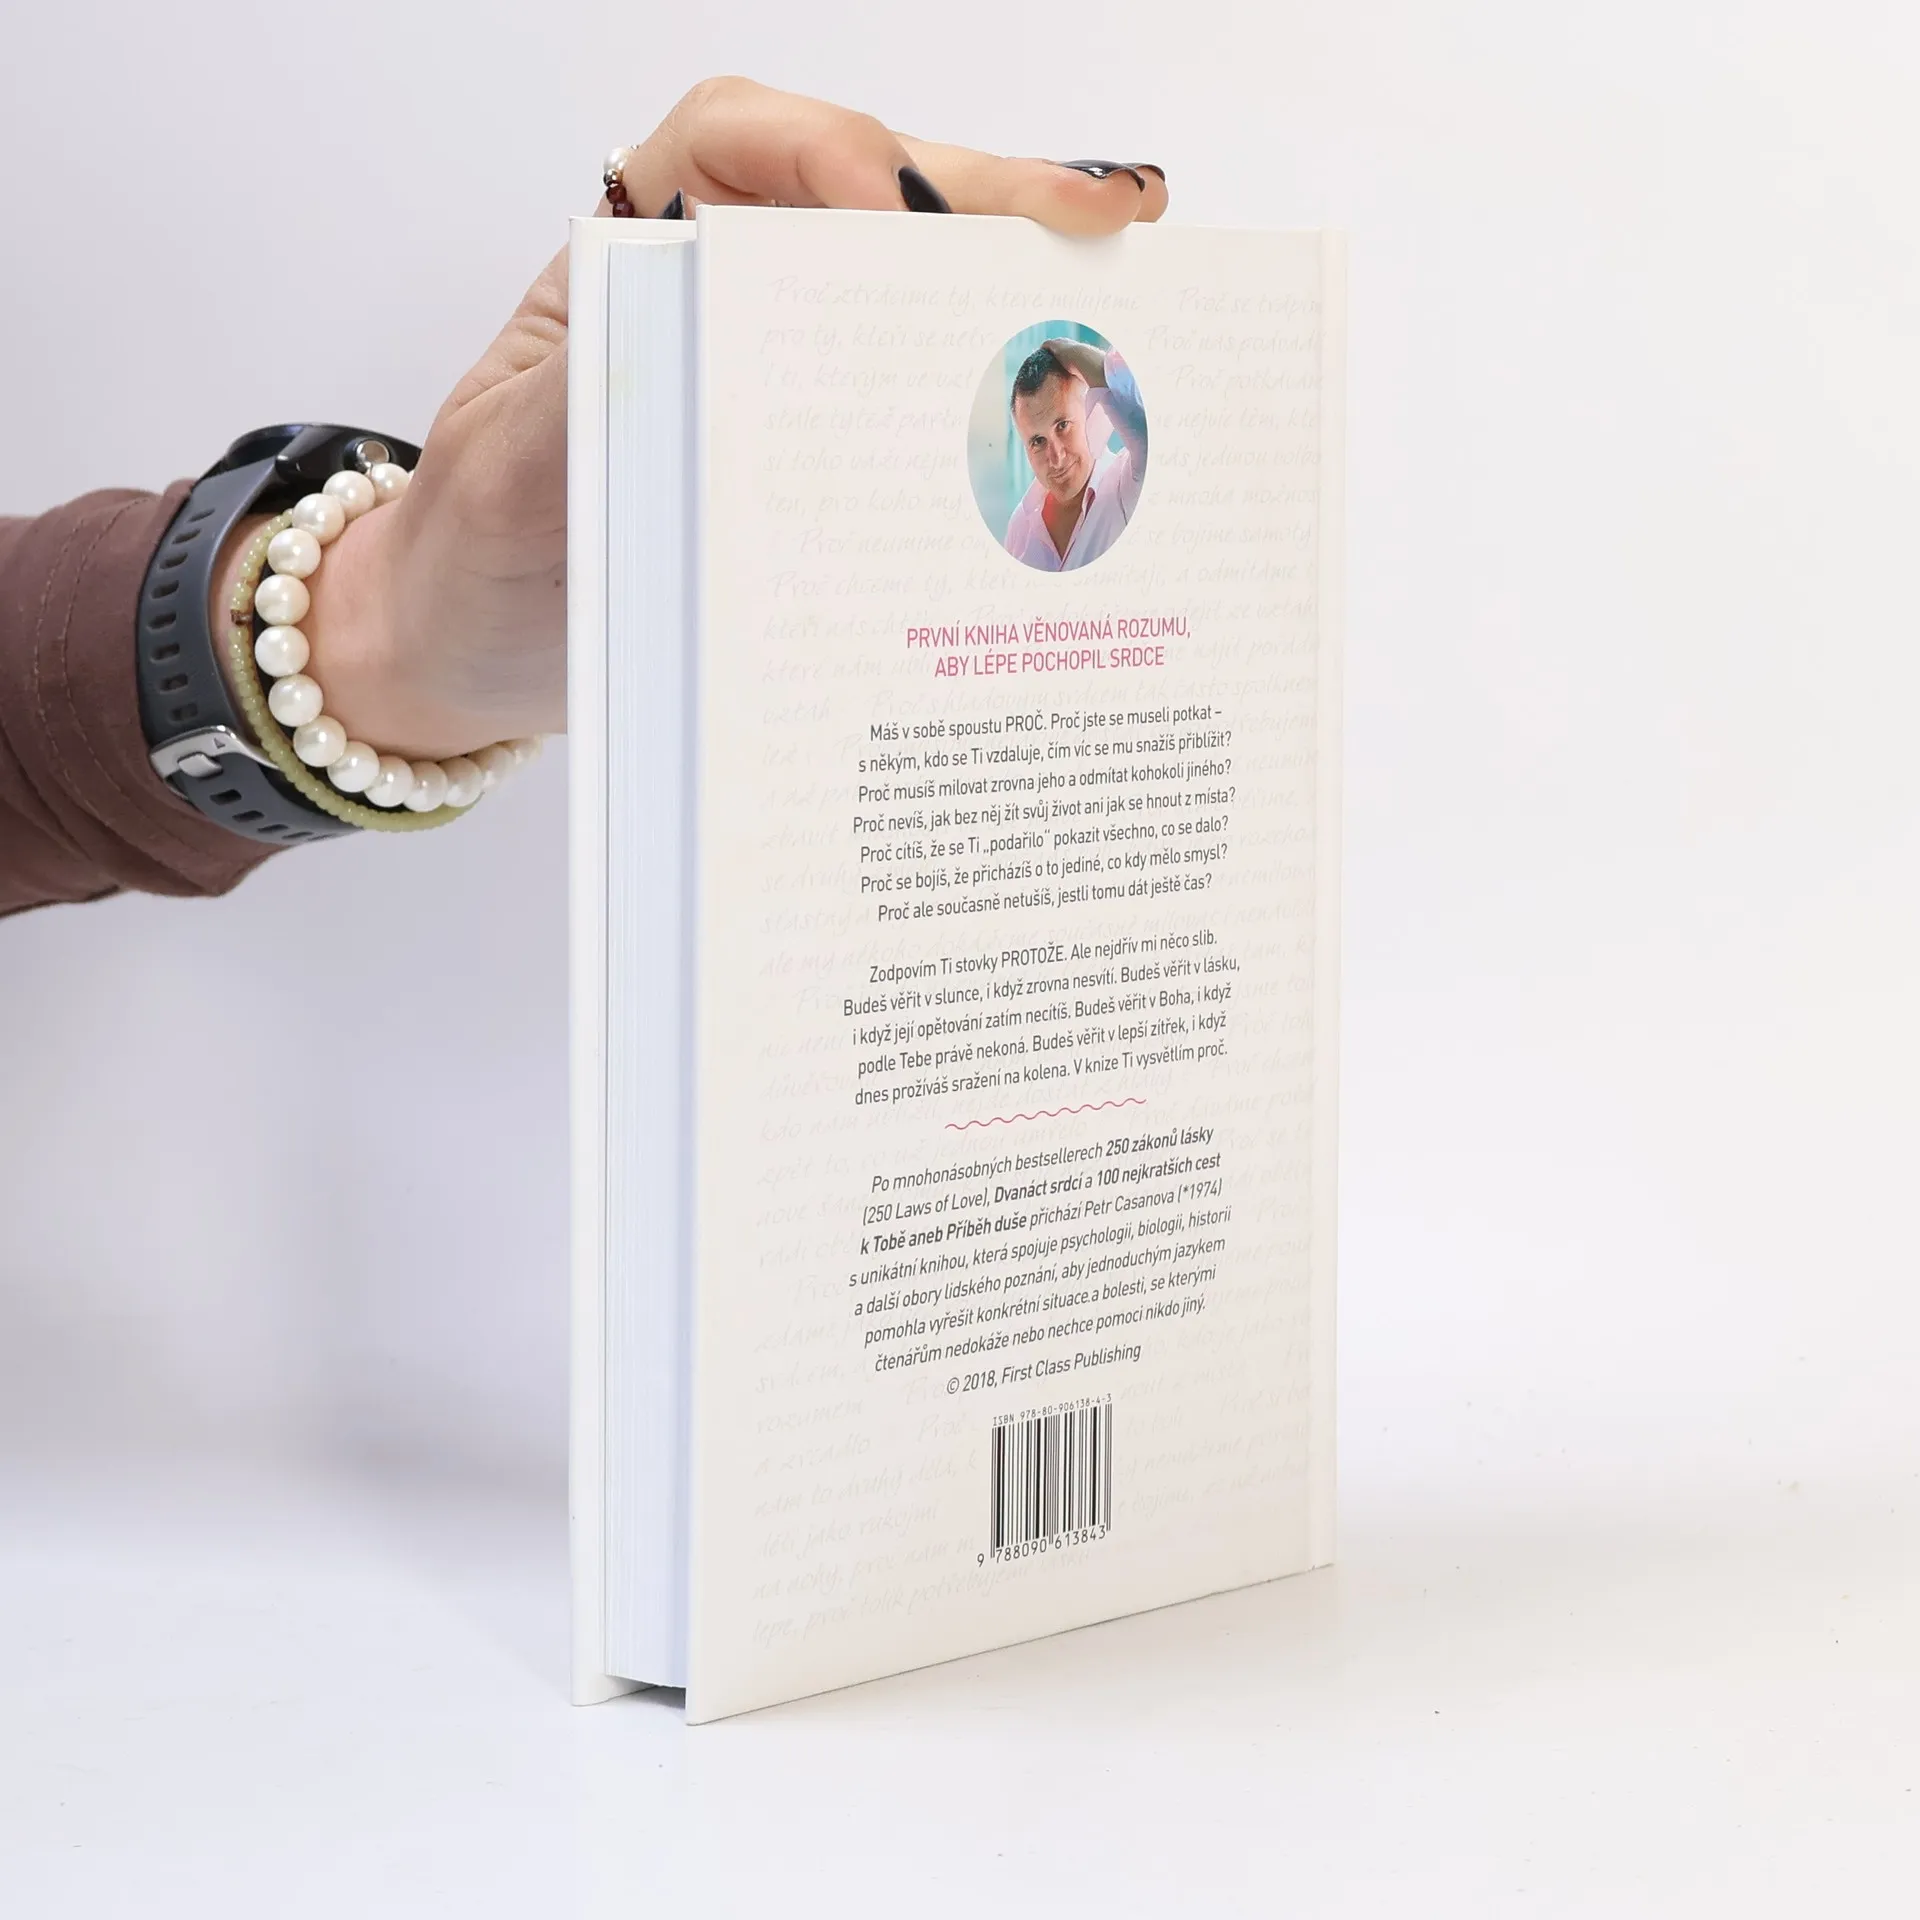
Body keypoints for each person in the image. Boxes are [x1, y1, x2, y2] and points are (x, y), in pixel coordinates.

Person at [0, 79, 1166, 920]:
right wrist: (385, 624)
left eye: (1066, 429)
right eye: (1037, 436)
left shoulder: (1117, 507)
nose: (1055, 454)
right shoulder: (1026, 520)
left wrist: (383, 623)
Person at [1001, 335, 1148, 572]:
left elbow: (1143, 413)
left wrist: (1072, 352)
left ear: (1090, 413)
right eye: (1038, 441)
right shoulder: (1020, 526)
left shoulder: (1129, 485)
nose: (1056, 458)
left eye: (1063, 425)